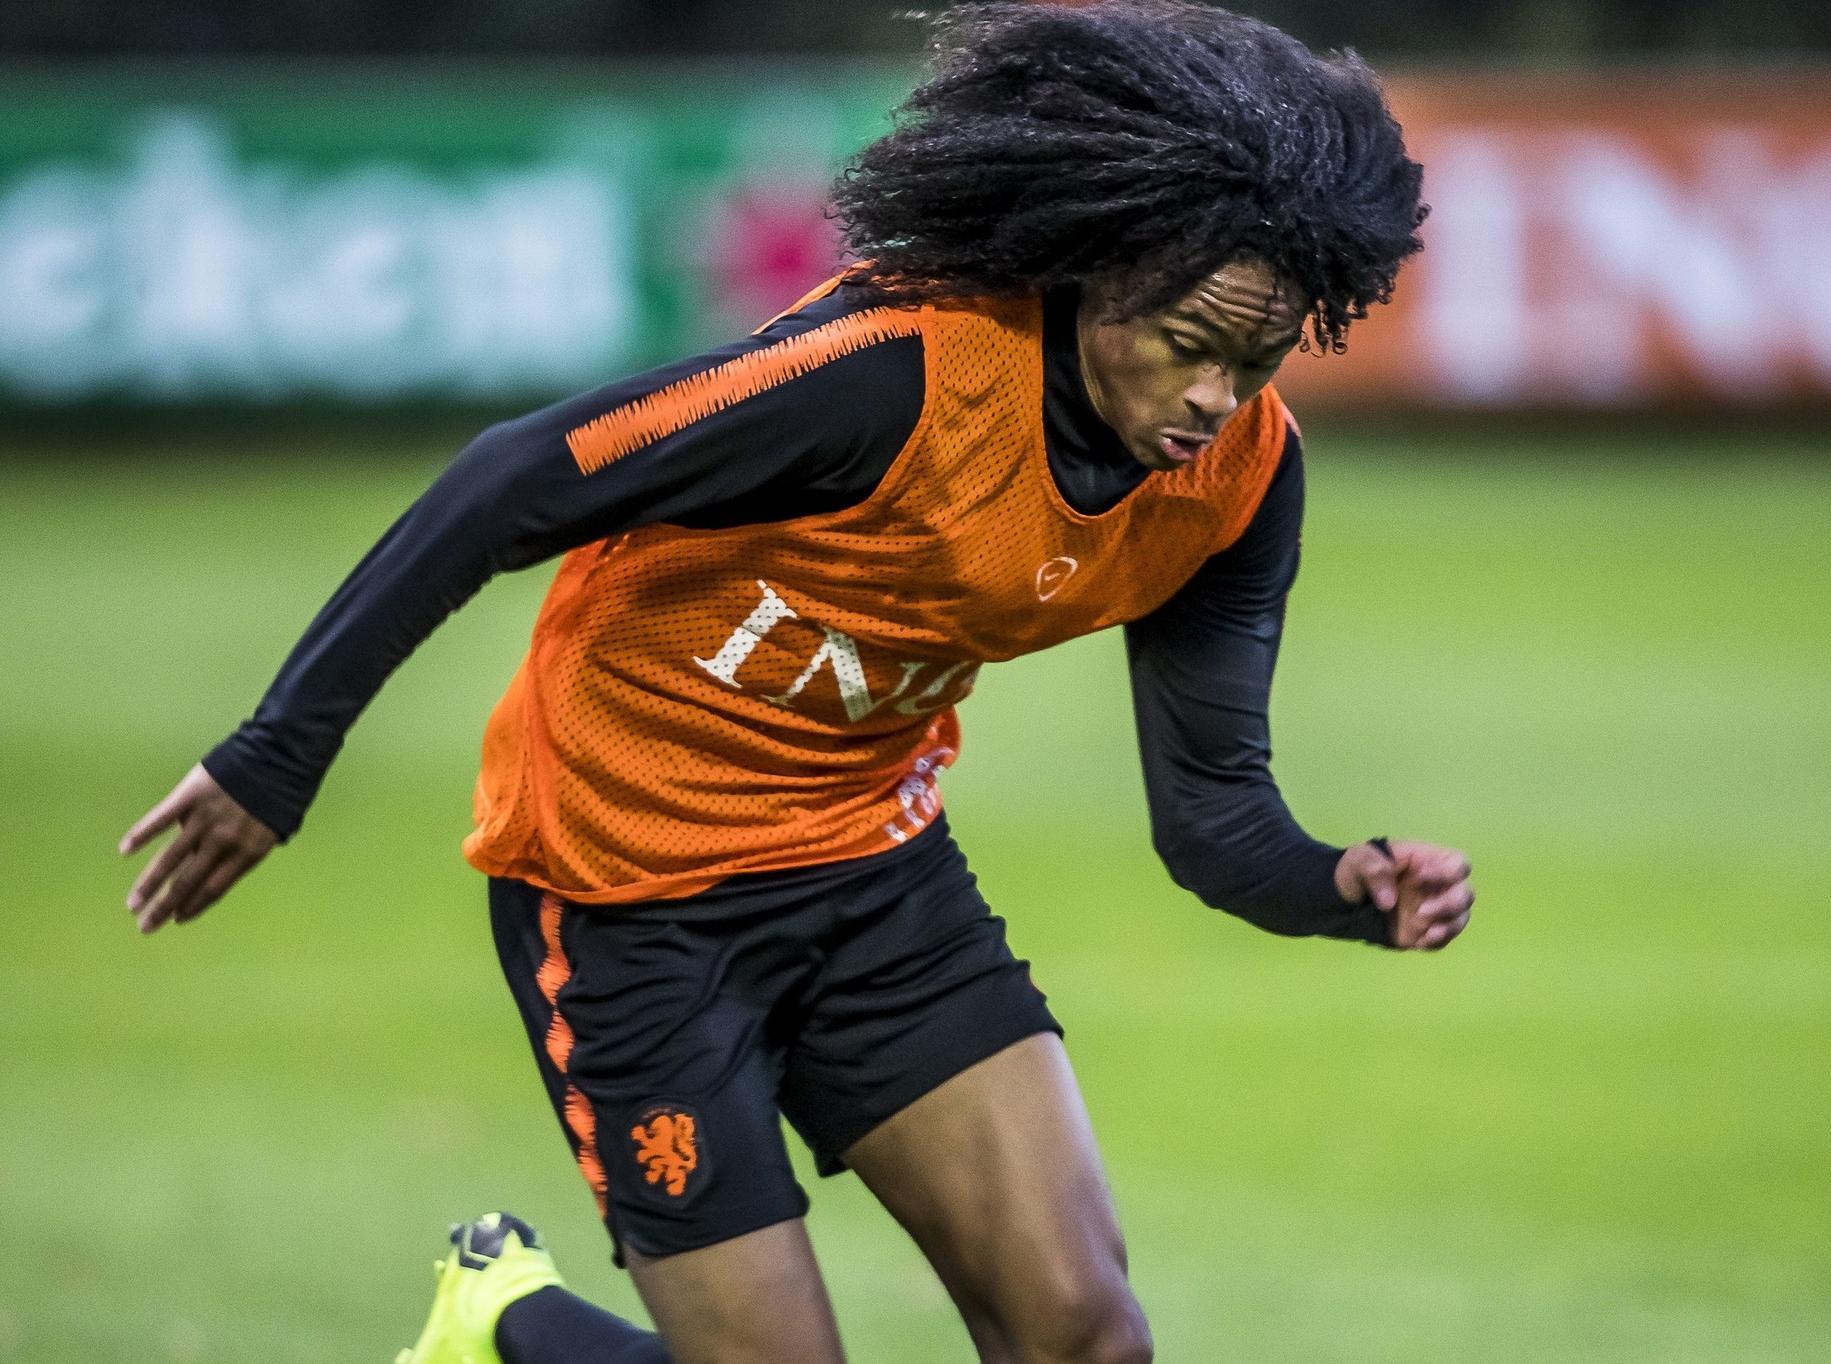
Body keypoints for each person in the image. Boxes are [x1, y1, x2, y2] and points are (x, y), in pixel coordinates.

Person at [118, 3, 1473, 1361]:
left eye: (1256, 361)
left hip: (872, 879)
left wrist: (1338, 885)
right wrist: (275, 756)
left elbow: (1212, 815)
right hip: (623, 895)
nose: (1216, 397)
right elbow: (513, 478)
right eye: (1187, 341)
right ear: (1090, 268)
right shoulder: (893, 377)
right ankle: (507, 1325)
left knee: (1086, 1338)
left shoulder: (1239, 484)